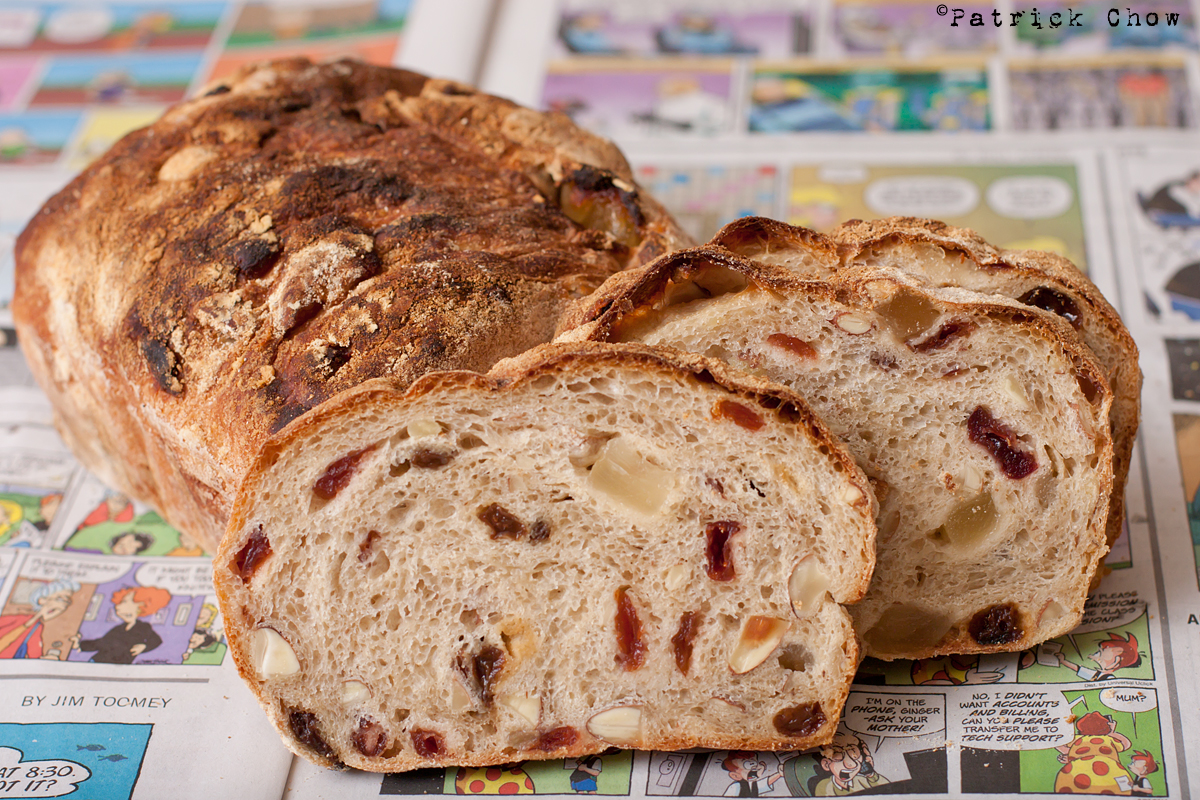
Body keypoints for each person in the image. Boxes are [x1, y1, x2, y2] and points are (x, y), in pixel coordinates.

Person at [70, 586, 169, 663]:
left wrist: (144, 647)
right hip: (98, 661)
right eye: (120, 602)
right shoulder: (119, 628)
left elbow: (156, 640)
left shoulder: (143, 627)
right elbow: (101, 643)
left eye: (124, 601)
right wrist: (79, 644)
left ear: (141, 605)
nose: (118, 606)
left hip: (120, 665)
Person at [1054, 711, 1133, 794]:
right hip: (1112, 771)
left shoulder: (1077, 739)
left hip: (1077, 771)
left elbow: (1062, 747)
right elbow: (1126, 744)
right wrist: (1111, 733)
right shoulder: (1108, 739)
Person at [0, 578, 79, 659]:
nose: (63, 605)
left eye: (67, 601)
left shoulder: (37, 626)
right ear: (42, 600)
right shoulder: (18, 619)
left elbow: (34, 652)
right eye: (59, 598)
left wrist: (46, 659)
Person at [811, 731, 889, 796]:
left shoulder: (861, 780)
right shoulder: (825, 786)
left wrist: (871, 774)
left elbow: (887, 788)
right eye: (838, 755)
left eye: (855, 755)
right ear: (826, 764)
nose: (851, 765)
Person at [1055, 632, 1141, 680]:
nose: (1100, 649)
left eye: (1105, 649)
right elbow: (1078, 669)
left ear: (1116, 662)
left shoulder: (1109, 679)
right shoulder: (1097, 674)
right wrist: (1063, 661)